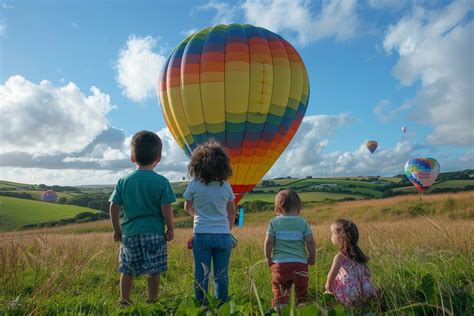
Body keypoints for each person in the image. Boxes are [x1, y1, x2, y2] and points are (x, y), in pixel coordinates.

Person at [109, 130, 176, 307]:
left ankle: (124, 300)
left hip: (130, 234)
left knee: (127, 269)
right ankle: (153, 301)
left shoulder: (123, 181)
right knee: (153, 270)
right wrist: (170, 228)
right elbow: (166, 207)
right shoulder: (162, 182)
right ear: (158, 158)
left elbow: (114, 206)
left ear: (132, 157)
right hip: (154, 233)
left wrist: (116, 229)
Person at [183, 140, 236, 306]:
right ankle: (222, 304)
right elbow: (232, 211)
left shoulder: (194, 184)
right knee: (221, 274)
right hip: (223, 235)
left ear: (196, 165)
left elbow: (187, 207)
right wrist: (227, 228)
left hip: (202, 235)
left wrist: (197, 215)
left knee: (201, 273)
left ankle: (201, 304)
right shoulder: (225, 186)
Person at [264, 189, 317, 308]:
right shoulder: (302, 222)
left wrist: (268, 257)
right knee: (301, 290)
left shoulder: (273, 223)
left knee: (279, 290)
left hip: (280, 265)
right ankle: (301, 307)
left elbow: (268, 242)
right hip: (300, 263)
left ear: (277, 209)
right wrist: (312, 257)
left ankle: (280, 308)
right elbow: (310, 242)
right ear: (299, 208)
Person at [325, 219, 375, 307]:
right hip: (364, 293)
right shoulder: (359, 255)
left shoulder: (340, 257)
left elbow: (331, 276)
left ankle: (340, 303)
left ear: (340, 237)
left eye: (332, 234)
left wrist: (328, 288)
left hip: (349, 294)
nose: (331, 236)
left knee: (328, 291)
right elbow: (368, 274)